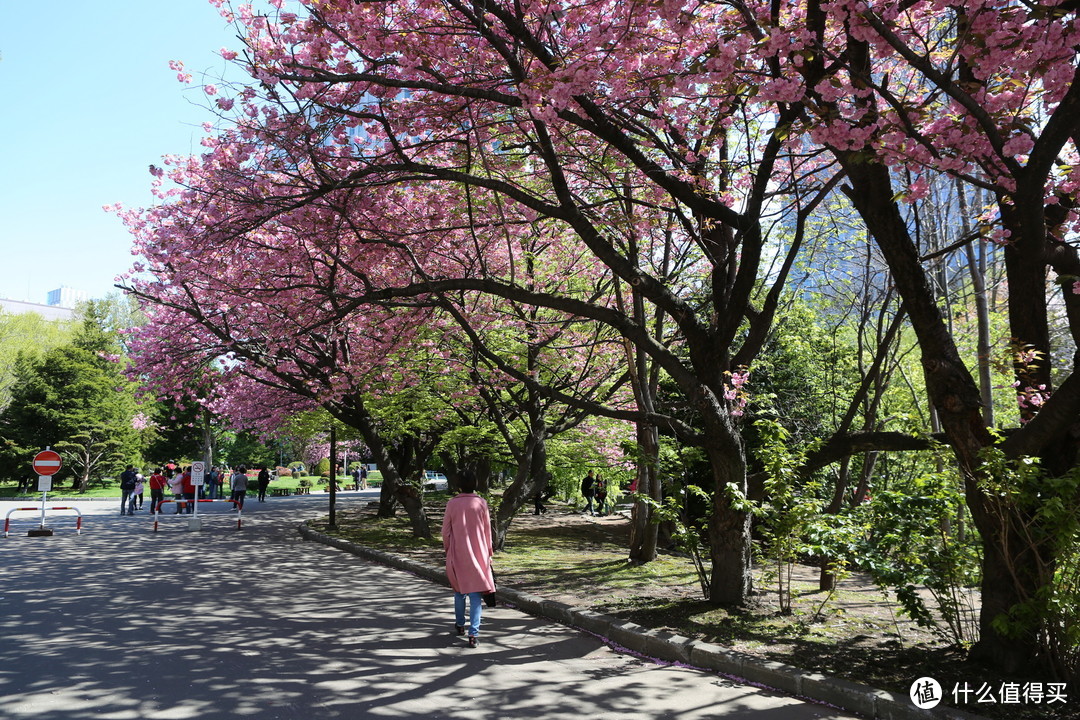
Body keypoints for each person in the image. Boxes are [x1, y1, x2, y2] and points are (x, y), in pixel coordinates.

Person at [441, 470, 495, 648]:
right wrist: (488, 553)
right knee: (475, 595)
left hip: (457, 552)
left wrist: (448, 550)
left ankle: (459, 624)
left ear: (458, 485)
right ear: (475, 484)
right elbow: (488, 530)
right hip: (479, 553)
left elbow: (445, 532)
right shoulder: (481, 503)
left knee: (459, 591)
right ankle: (474, 634)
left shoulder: (452, 504)